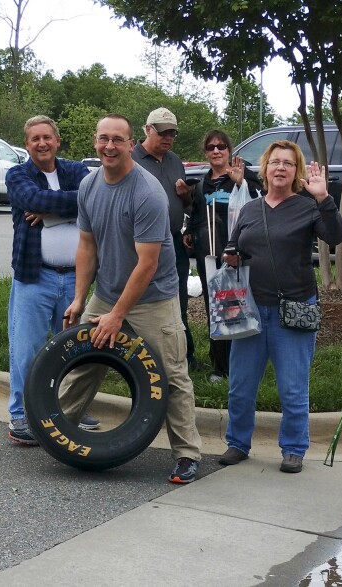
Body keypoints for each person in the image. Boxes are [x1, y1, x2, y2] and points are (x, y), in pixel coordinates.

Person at [59, 114, 203, 484]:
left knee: (171, 374)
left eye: (117, 140)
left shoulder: (147, 192)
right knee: (85, 363)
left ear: (129, 144)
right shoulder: (90, 186)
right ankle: (56, 428)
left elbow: (148, 264)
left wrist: (117, 316)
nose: (110, 146)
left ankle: (187, 454)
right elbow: (87, 247)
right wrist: (79, 299)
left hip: (153, 298)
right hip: (106, 294)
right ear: (95, 141)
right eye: (103, 139)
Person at [218, 140, 342, 474]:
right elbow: (234, 247)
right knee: (241, 386)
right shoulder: (249, 210)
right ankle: (237, 443)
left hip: (294, 308)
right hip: (248, 309)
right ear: (265, 168)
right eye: (275, 162)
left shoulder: (307, 207)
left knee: (292, 386)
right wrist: (230, 257)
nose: (280, 168)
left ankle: (293, 448)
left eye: (288, 163)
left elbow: (336, 236)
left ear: (296, 171)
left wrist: (323, 198)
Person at [3, 115, 95, 445]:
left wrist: (52, 213)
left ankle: (70, 409)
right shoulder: (17, 175)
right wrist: (71, 206)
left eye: (47, 137)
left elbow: (92, 197)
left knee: (72, 349)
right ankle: (20, 415)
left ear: (57, 141)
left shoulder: (75, 171)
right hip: (34, 277)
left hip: (75, 279)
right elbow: (34, 200)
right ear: (27, 145)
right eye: (34, 139)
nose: (42, 143)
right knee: (26, 350)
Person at [185, 129, 263, 383]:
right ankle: (219, 365)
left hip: (238, 257)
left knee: (236, 308)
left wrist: (241, 182)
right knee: (215, 310)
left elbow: (258, 206)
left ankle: (242, 363)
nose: (216, 151)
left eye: (221, 146)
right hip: (209, 257)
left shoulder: (244, 176)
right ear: (205, 153)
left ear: (230, 150)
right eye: (211, 147)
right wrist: (189, 232)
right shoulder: (203, 182)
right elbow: (196, 213)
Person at [131, 107, 197, 369]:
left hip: (171, 241)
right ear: (147, 130)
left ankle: (183, 356)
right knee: (139, 301)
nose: (168, 138)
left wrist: (185, 197)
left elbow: (187, 204)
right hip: (138, 244)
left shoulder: (174, 160)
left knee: (176, 299)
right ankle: (138, 360)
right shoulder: (131, 158)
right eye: (163, 132)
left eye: (173, 133)